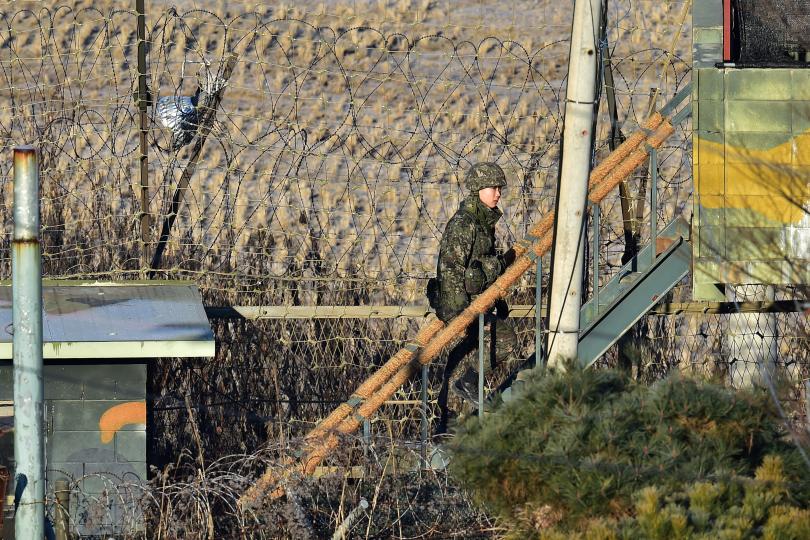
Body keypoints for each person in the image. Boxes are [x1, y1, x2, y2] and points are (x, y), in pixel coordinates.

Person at [433, 162, 518, 434]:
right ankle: (453, 413)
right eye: (493, 188)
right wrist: (459, 315)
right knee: (500, 339)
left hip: (474, 303)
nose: (498, 194)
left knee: (465, 356)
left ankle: (450, 423)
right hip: (461, 305)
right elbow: (451, 270)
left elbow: (480, 268)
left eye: (499, 188)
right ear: (477, 189)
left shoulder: (482, 223)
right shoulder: (465, 224)